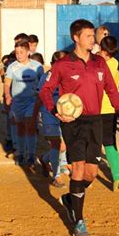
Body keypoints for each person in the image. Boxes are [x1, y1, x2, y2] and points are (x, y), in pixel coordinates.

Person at [39, 19, 119, 236]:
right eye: (88, 36)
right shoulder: (62, 65)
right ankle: (79, 222)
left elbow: (112, 90)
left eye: (92, 35)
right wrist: (54, 111)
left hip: (96, 121)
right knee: (77, 169)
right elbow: (45, 91)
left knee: (91, 174)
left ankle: (70, 199)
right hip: (73, 123)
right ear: (76, 38)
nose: (93, 39)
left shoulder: (100, 63)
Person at [4, 40, 44, 166]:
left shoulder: (37, 66)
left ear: (28, 52)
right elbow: (7, 84)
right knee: (21, 128)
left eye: (21, 52)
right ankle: (21, 154)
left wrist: (40, 98)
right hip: (17, 103)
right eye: (16, 52)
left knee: (30, 126)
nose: (18, 55)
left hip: (32, 101)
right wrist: (7, 95)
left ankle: (31, 155)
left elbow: (42, 84)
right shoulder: (12, 67)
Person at [99, 35, 119, 192]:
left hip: (108, 108)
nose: (108, 57)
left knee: (109, 143)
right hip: (92, 108)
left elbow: (112, 89)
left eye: (111, 54)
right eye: (106, 53)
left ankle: (117, 178)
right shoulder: (94, 62)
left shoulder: (112, 63)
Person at [38, 51, 68, 188]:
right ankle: (56, 176)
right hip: (49, 114)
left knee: (64, 146)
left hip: (65, 114)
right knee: (58, 145)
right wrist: (34, 116)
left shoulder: (68, 77)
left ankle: (45, 159)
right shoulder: (46, 77)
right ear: (52, 65)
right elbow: (40, 96)